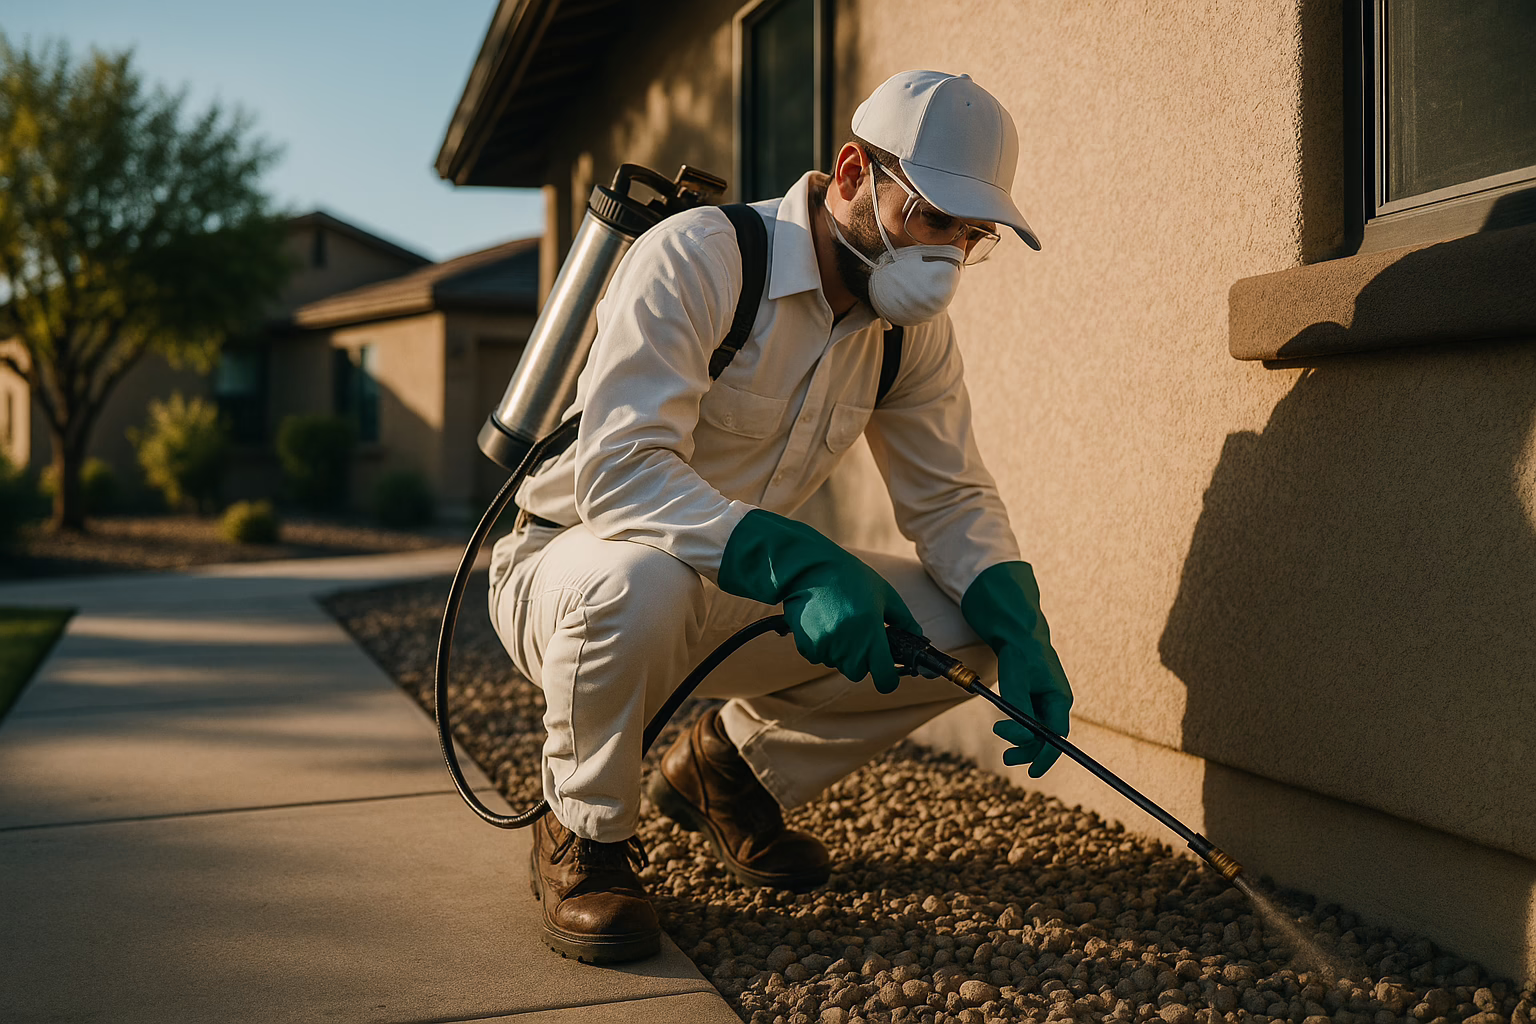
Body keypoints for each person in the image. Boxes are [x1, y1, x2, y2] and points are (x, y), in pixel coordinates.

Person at [488, 70, 1073, 965]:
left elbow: (950, 495)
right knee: (636, 578)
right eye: (931, 219)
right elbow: (620, 472)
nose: (950, 257)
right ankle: (584, 831)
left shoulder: (906, 335)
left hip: (730, 586)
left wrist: (1023, 624)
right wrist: (803, 565)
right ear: (851, 173)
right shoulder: (701, 258)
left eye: (972, 235)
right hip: (572, 571)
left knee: (960, 627)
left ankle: (729, 769)